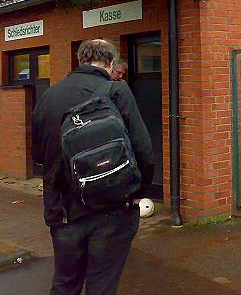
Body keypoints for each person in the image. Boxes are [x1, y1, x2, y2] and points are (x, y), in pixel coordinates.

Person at [32, 39, 154, 295]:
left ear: (79, 60)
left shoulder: (49, 96)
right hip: (112, 208)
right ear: (111, 64)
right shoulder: (116, 91)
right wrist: (138, 192)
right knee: (102, 284)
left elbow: (38, 156)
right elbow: (143, 150)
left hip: (63, 210)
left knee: (65, 283)